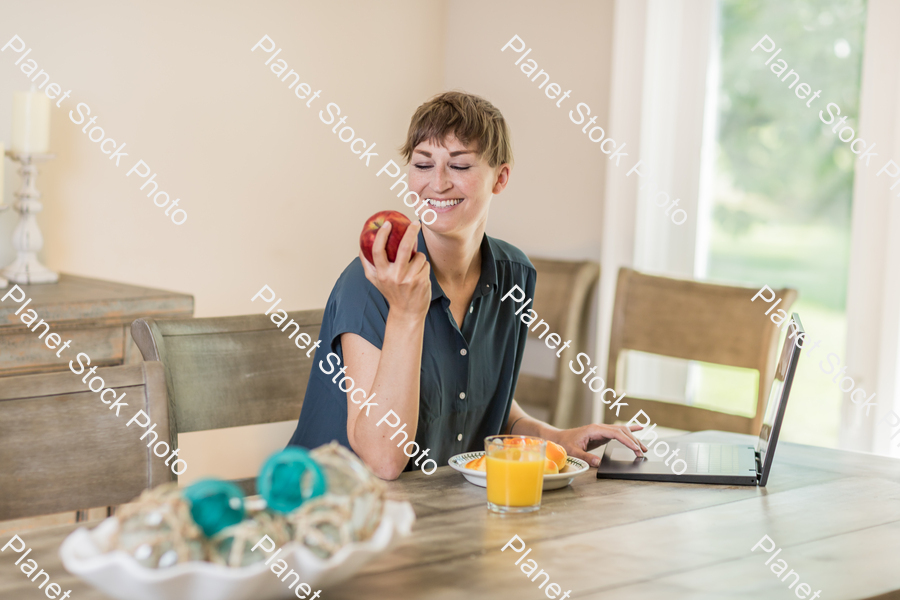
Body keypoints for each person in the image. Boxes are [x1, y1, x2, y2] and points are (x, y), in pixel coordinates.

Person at [287, 91, 647, 479]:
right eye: (423, 164)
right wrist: (407, 314)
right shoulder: (373, 280)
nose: (437, 183)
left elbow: (481, 401)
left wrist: (554, 438)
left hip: (439, 510)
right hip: (333, 513)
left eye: (459, 165)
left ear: (501, 177)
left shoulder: (513, 276)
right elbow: (384, 460)